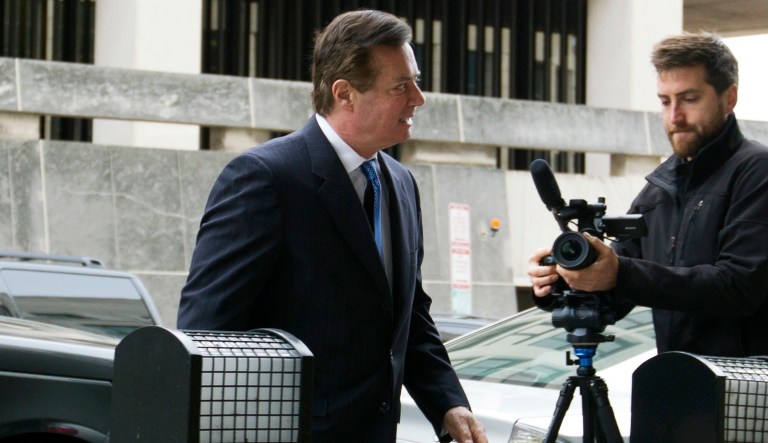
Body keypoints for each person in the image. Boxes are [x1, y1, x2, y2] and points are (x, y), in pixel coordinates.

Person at [177, 9, 487, 443]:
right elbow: (206, 333)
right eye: (402, 85)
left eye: (415, 81)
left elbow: (407, 313)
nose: (418, 98)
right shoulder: (265, 177)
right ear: (345, 93)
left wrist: (447, 402)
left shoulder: (401, 183)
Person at [528, 32, 768, 358]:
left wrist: (621, 273)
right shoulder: (659, 187)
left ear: (729, 98)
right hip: (672, 387)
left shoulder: (757, 170)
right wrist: (559, 281)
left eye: (689, 99)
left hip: (745, 395)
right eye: (665, 101)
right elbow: (613, 291)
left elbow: (739, 286)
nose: (674, 117)